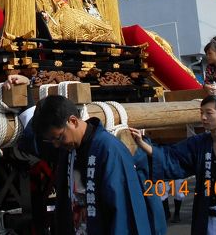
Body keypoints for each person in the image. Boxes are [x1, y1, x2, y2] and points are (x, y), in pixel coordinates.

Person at [130, 95, 216, 235]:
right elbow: (172, 156)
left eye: (209, 113)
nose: (203, 117)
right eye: (201, 113)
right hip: (205, 217)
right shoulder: (199, 143)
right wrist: (143, 144)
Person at [32, 94, 152, 234]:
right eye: (51, 141)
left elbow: (123, 212)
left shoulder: (109, 150)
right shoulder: (68, 150)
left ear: (73, 121)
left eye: (58, 138)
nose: (56, 145)